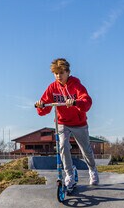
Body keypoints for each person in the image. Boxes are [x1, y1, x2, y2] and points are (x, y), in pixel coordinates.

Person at [35, 58, 99, 190]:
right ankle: (69, 174)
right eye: (56, 73)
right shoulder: (52, 87)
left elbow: (87, 102)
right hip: (62, 122)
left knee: (85, 149)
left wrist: (76, 102)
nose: (59, 76)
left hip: (78, 122)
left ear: (68, 72)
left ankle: (92, 170)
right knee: (62, 146)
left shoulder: (76, 85)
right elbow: (44, 109)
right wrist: (41, 105)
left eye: (61, 73)